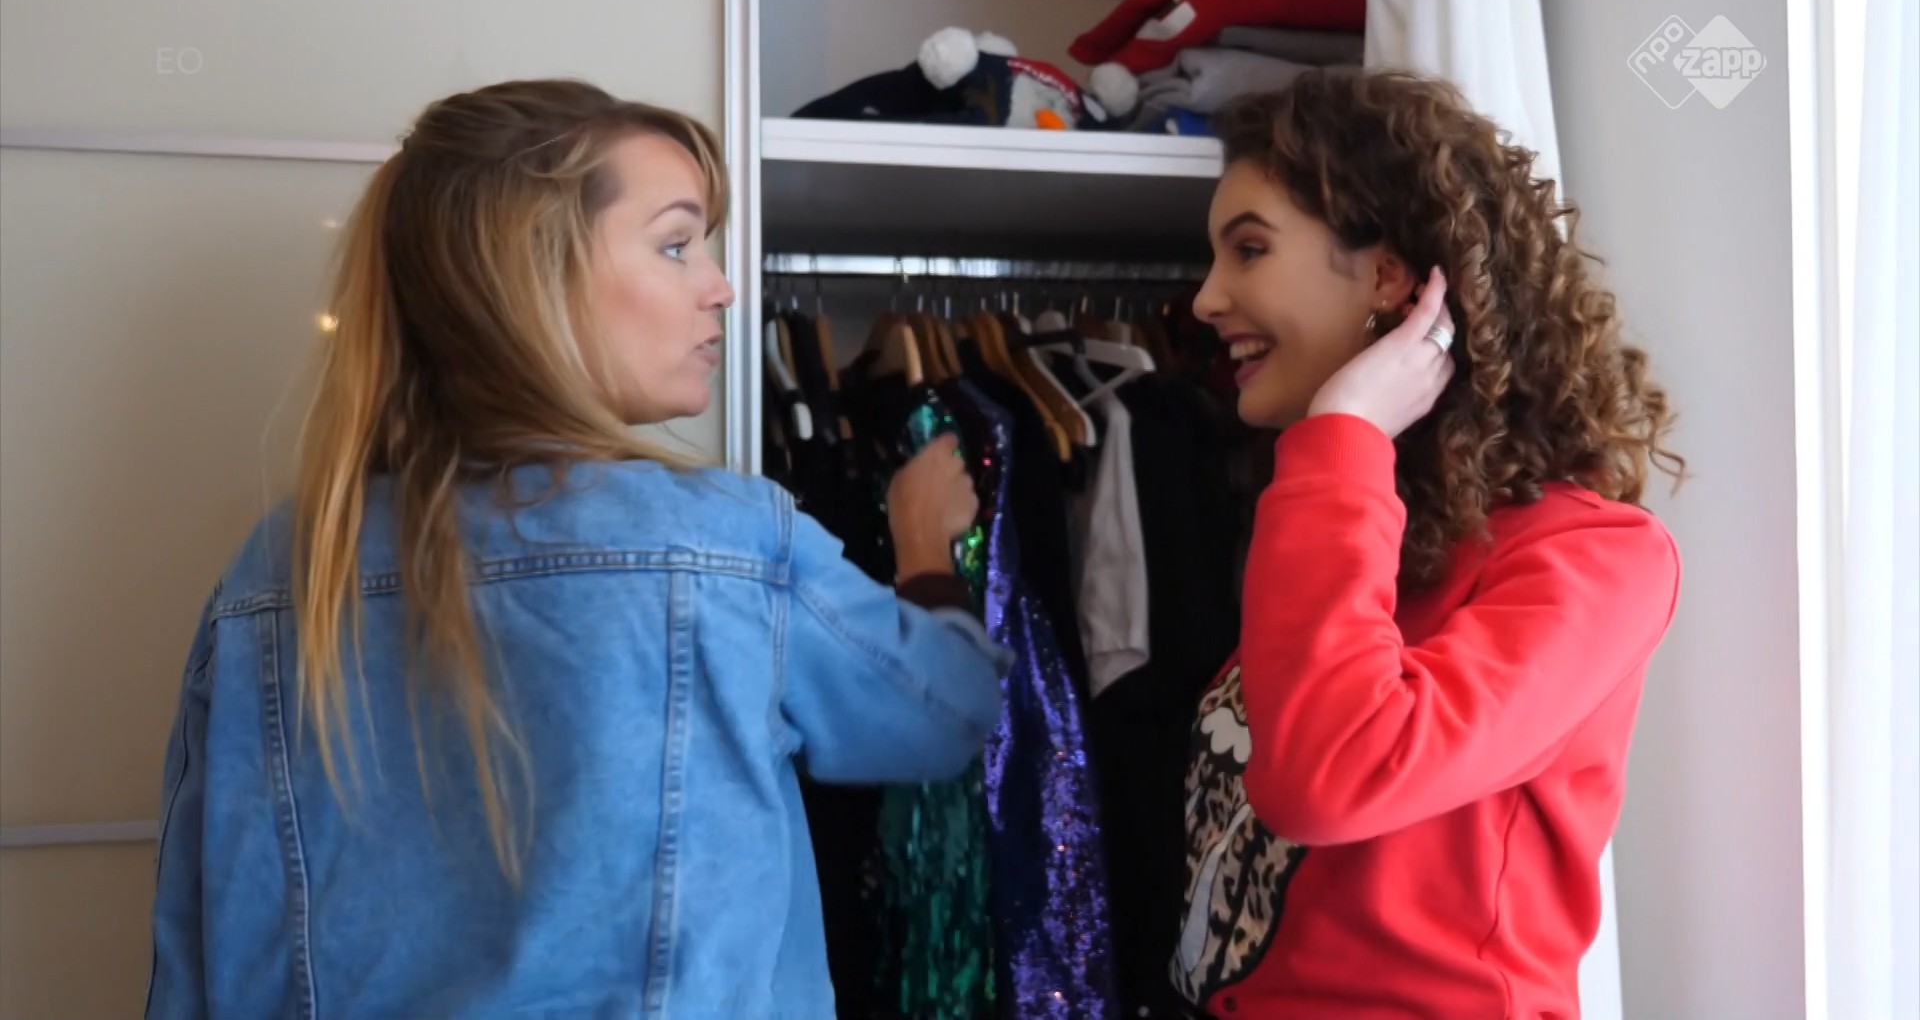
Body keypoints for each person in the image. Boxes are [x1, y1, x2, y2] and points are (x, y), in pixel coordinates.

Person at [145, 79, 1008, 1019]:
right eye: (676, 245)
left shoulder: (278, 569)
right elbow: (943, 715)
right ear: (532, 278)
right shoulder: (721, 547)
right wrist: (924, 550)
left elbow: (196, 948)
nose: (720, 285)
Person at [1171, 68, 1685, 1019]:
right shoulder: (1356, 522)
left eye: (1249, 250)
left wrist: (1345, 432)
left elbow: (1332, 775)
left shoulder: (1598, 558)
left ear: (1387, 275)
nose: (1206, 298)